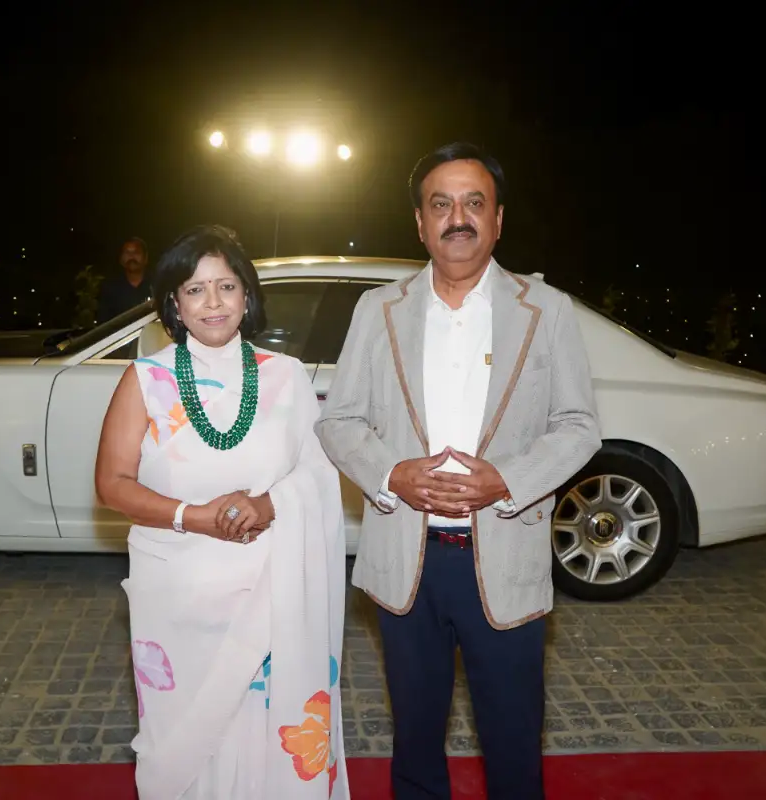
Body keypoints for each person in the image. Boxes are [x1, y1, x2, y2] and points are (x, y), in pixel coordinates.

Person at [315, 142, 602, 800]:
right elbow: (339, 421)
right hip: (406, 561)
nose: (458, 218)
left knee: (513, 742)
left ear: (498, 220)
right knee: (414, 742)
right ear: (420, 223)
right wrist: (393, 475)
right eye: (441, 204)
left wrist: (506, 480)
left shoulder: (546, 310)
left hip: (503, 557)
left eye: (475, 203)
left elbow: (579, 427)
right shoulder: (377, 309)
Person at [95, 225, 349, 800]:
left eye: (226, 286)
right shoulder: (146, 380)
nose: (213, 302)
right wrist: (194, 516)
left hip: (272, 587)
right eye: (195, 289)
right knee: (185, 740)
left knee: (267, 729)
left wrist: (268, 504)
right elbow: (112, 484)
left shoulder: (286, 374)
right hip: (179, 597)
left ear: (247, 296)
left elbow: (319, 472)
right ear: (174, 304)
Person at [97, 237, 152, 323]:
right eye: (127, 252)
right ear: (121, 259)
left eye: (136, 252)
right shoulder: (110, 289)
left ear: (146, 258)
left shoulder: (158, 285)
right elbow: (104, 323)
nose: (132, 256)